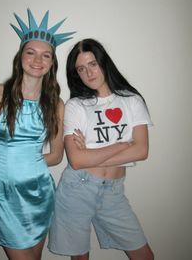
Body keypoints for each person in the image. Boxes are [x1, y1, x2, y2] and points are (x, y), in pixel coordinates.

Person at [0, 9, 75, 260]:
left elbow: (57, 155)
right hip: (3, 194)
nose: (38, 60)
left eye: (45, 55)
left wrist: (19, 159)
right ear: (20, 57)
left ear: (52, 63)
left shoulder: (56, 104)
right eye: (31, 52)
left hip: (40, 193)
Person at [48, 38, 154, 260]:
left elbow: (141, 151)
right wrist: (121, 145)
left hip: (113, 192)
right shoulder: (75, 106)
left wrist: (90, 154)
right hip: (77, 188)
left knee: (144, 255)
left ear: (104, 63)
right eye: (81, 69)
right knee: (80, 257)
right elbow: (76, 161)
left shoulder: (132, 101)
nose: (88, 73)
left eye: (93, 64)